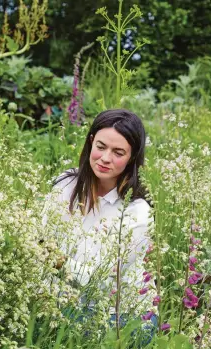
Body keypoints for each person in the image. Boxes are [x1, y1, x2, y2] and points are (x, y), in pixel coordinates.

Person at [47, 109, 154, 321]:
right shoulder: (65, 184)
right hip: (63, 301)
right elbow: (41, 236)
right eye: (101, 147)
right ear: (90, 142)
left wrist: (54, 259)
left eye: (118, 153)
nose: (105, 158)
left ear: (132, 158)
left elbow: (101, 281)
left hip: (117, 316)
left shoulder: (138, 212)